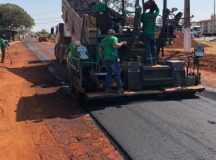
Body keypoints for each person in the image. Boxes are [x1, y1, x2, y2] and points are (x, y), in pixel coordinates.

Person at [99, 29, 127, 93]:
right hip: (113, 58)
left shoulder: (104, 40)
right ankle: (119, 89)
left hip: (106, 59)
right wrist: (123, 43)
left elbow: (100, 50)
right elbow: (115, 46)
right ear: (114, 34)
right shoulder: (114, 38)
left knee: (109, 73)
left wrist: (102, 58)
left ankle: (107, 89)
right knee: (117, 73)